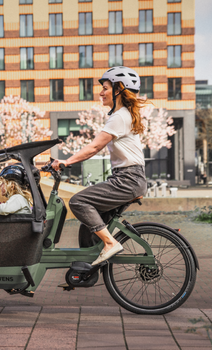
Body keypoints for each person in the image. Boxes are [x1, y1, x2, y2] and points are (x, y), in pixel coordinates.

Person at [52, 66, 147, 265]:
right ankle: (86, 271)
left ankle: (110, 244)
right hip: (129, 178)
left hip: (127, 180)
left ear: (119, 89)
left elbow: (94, 147)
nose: (101, 92)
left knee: (79, 202)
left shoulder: (120, 116)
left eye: (105, 88)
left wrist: (66, 162)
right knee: (89, 227)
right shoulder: (123, 115)